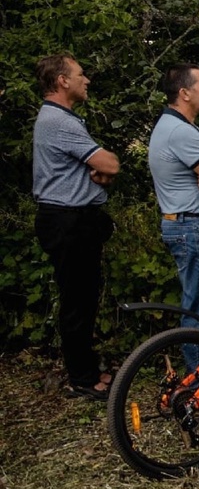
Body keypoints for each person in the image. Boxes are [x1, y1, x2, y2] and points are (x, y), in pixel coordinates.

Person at [32, 54, 120, 400]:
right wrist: (101, 170)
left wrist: (99, 172)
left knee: (83, 296)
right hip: (67, 220)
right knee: (77, 300)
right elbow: (108, 162)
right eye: (80, 75)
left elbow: (100, 169)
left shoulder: (62, 119)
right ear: (62, 81)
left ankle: (87, 368)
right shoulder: (58, 121)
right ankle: (82, 378)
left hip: (74, 219)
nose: (87, 80)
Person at [148, 64, 199, 371]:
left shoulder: (180, 126)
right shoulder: (180, 132)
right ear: (184, 93)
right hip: (191, 225)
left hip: (188, 222)